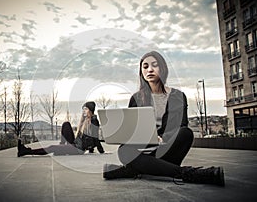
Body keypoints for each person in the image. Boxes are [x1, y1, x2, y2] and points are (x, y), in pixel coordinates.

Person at [103, 51, 225, 186]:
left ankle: (135, 169)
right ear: (141, 71)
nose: (149, 69)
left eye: (154, 65)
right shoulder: (136, 98)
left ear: (163, 68)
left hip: (167, 147)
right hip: (145, 148)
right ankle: (189, 173)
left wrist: (161, 138)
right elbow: (132, 128)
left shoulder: (177, 96)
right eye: (145, 66)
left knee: (186, 133)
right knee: (124, 150)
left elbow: (181, 125)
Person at [17, 101, 105, 157]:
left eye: (85, 109)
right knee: (66, 124)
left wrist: (101, 151)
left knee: (52, 147)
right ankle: (62, 146)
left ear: (90, 110)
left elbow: (95, 138)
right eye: (83, 109)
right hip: (75, 144)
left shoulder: (93, 121)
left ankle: (25, 152)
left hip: (78, 149)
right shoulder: (86, 120)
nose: (83, 111)